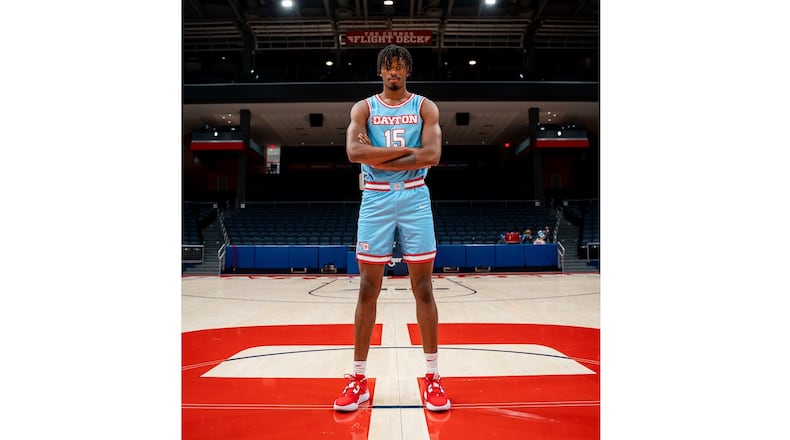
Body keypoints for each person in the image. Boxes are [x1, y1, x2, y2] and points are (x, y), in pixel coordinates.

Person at [333, 44, 450, 413]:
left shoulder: (424, 107)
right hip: (376, 198)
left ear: (408, 71)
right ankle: (357, 379)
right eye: (388, 67)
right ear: (381, 72)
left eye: (400, 66)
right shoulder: (364, 108)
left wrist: (378, 154)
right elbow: (353, 153)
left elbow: (431, 156)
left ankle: (433, 377)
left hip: (415, 197)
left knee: (424, 288)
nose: (394, 72)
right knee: (368, 287)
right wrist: (405, 155)